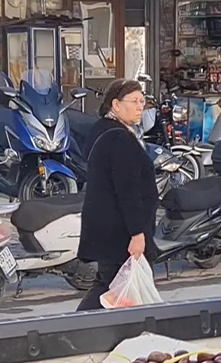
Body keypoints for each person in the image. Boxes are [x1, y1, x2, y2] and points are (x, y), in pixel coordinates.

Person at [75, 78, 160, 311]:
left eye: (142, 101)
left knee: (116, 286)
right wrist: (137, 233)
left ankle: (105, 330)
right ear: (115, 104)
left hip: (108, 225)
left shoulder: (104, 130)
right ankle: (75, 330)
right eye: (134, 101)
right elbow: (128, 189)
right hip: (119, 230)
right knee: (110, 285)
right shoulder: (119, 137)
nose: (140, 106)